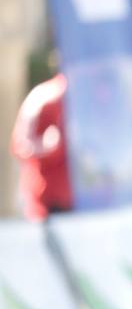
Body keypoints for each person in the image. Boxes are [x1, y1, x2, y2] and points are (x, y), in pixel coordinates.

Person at [9, 53, 72, 221]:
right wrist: (46, 147)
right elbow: (21, 144)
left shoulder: (90, 95)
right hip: (49, 202)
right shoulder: (45, 97)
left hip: (84, 199)